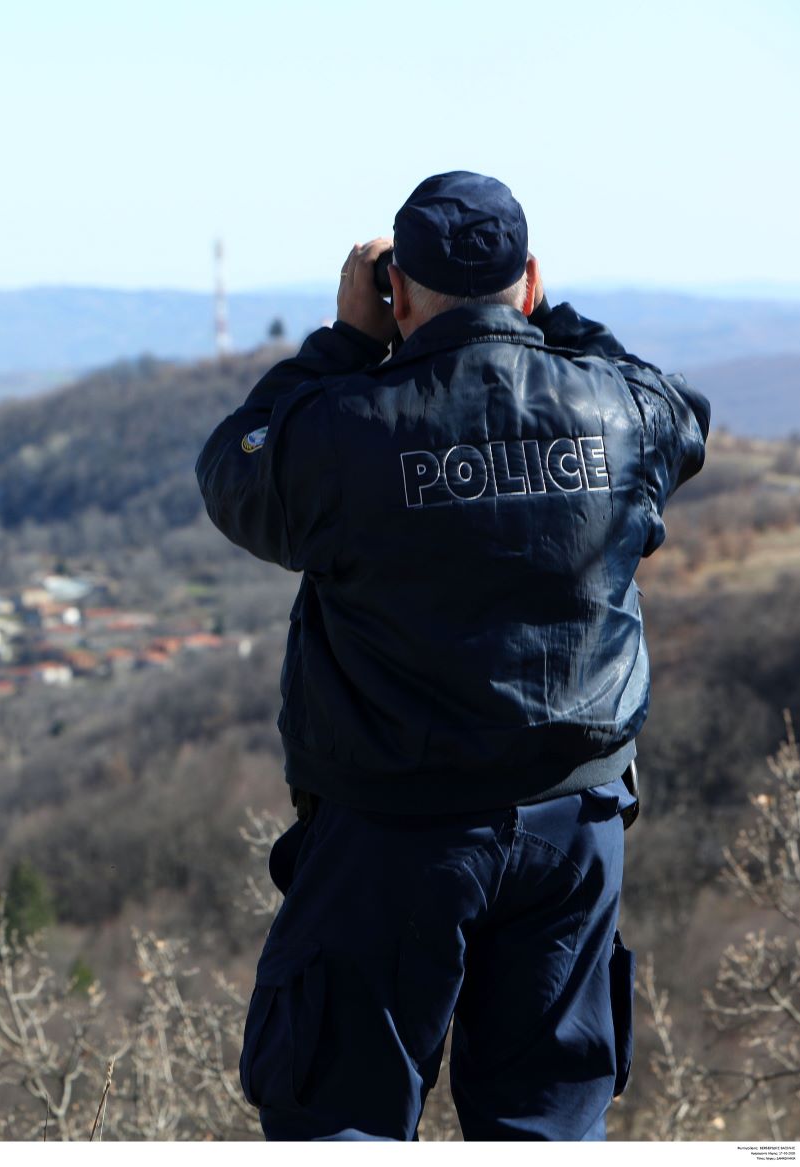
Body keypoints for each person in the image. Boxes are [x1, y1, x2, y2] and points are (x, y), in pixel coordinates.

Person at [194, 171, 710, 1140]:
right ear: (530, 281)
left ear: (397, 294)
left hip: (395, 830)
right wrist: (547, 322)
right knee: (545, 1124)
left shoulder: (349, 427)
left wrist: (345, 343)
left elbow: (237, 467)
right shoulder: (616, 413)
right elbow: (679, 411)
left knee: (339, 1117)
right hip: (574, 825)